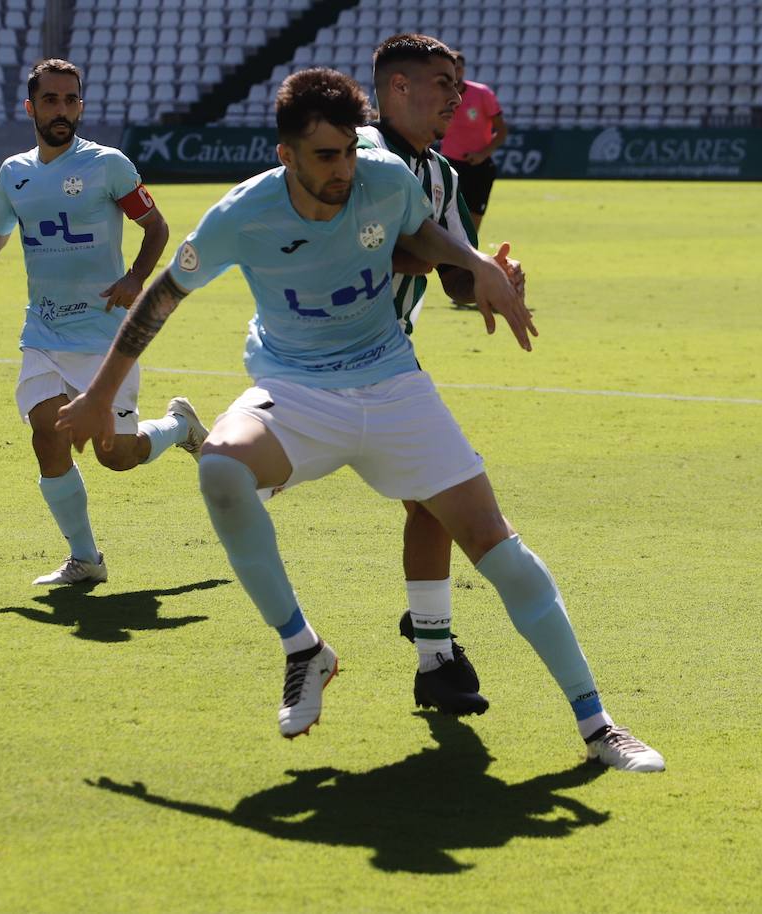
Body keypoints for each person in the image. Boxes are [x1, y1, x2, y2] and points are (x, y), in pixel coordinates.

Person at [55, 67, 664, 772]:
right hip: (299, 390)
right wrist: (101, 396)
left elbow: (428, 241)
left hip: (393, 384)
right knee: (220, 467)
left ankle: (599, 726)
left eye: (348, 149)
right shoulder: (241, 214)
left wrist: (477, 265)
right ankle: (303, 649)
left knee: (502, 554)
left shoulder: (384, 178)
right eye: (324, 155)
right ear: (285, 154)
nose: (343, 168)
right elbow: (162, 297)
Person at [0, 59, 206, 586]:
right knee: (47, 435)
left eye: (71, 100)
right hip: (43, 330)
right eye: (52, 100)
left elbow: (156, 227)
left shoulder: (108, 164)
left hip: (105, 334)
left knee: (118, 456)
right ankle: (86, 559)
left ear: (80, 105)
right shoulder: (14, 172)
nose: (63, 110)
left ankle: (179, 426)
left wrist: (135, 278)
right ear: (31, 107)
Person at [358, 33, 528, 718]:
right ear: (398, 87)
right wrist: (452, 262)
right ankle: (172, 434)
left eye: (460, 84)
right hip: (308, 362)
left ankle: (435, 656)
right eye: (444, 83)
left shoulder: (443, 174)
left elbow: (452, 273)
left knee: (434, 503)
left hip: (389, 361)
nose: (458, 97)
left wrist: (488, 276)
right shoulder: (357, 158)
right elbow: (370, 254)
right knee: (233, 482)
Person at [439, 50, 507, 232]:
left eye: (458, 68)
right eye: (451, 69)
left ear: (463, 70)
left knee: (474, 219)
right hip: (449, 164)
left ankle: (468, 257)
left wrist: (482, 154)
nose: (455, 72)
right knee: (445, 218)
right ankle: (449, 258)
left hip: (480, 166)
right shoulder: (437, 96)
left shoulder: (482, 94)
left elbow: (502, 131)